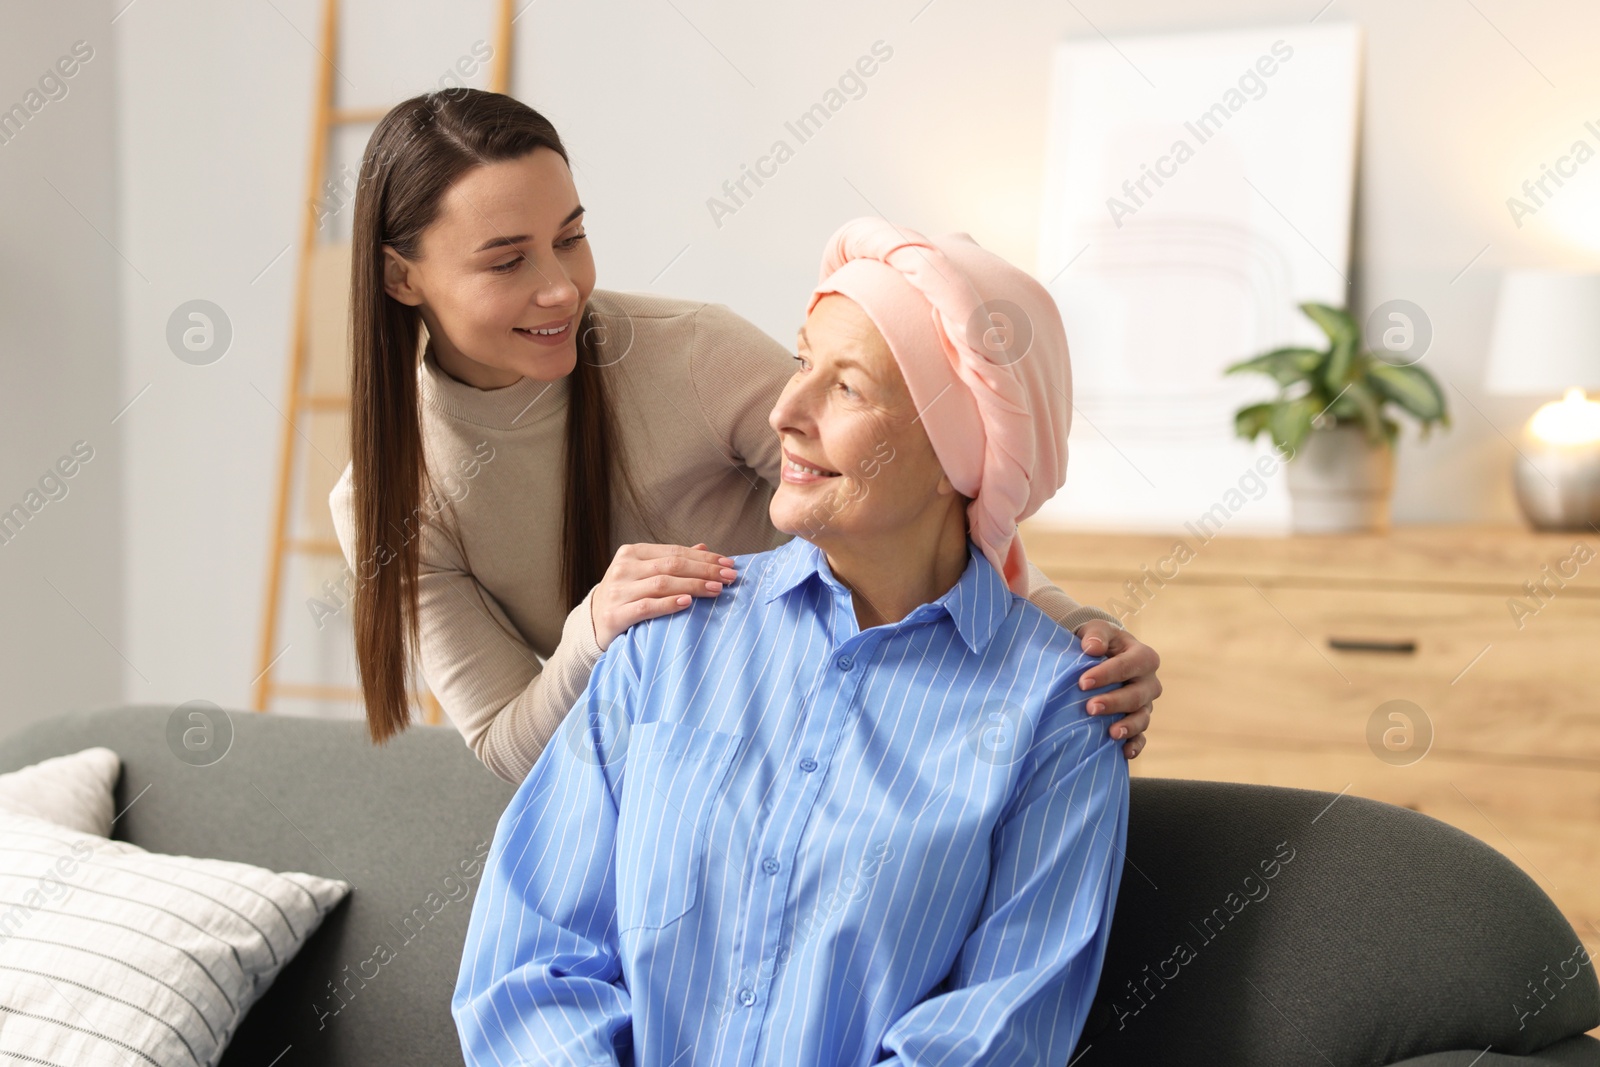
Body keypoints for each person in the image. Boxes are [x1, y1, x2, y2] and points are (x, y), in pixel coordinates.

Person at [328, 88, 1162, 784]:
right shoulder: (385, 499)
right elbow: (512, 746)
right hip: (657, 808)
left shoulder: (689, 353)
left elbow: (915, 497)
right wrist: (594, 629)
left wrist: (1076, 628)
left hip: (845, 748)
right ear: (403, 276)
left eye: (571, 239)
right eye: (507, 262)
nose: (559, 289)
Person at [453, 217, 1131, 1066]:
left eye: (847, 387)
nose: (785, 409)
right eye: (803, 361)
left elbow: (992, 1034)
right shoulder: (666, 639)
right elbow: (528, 968)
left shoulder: (1058, 716)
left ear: (959, 454)